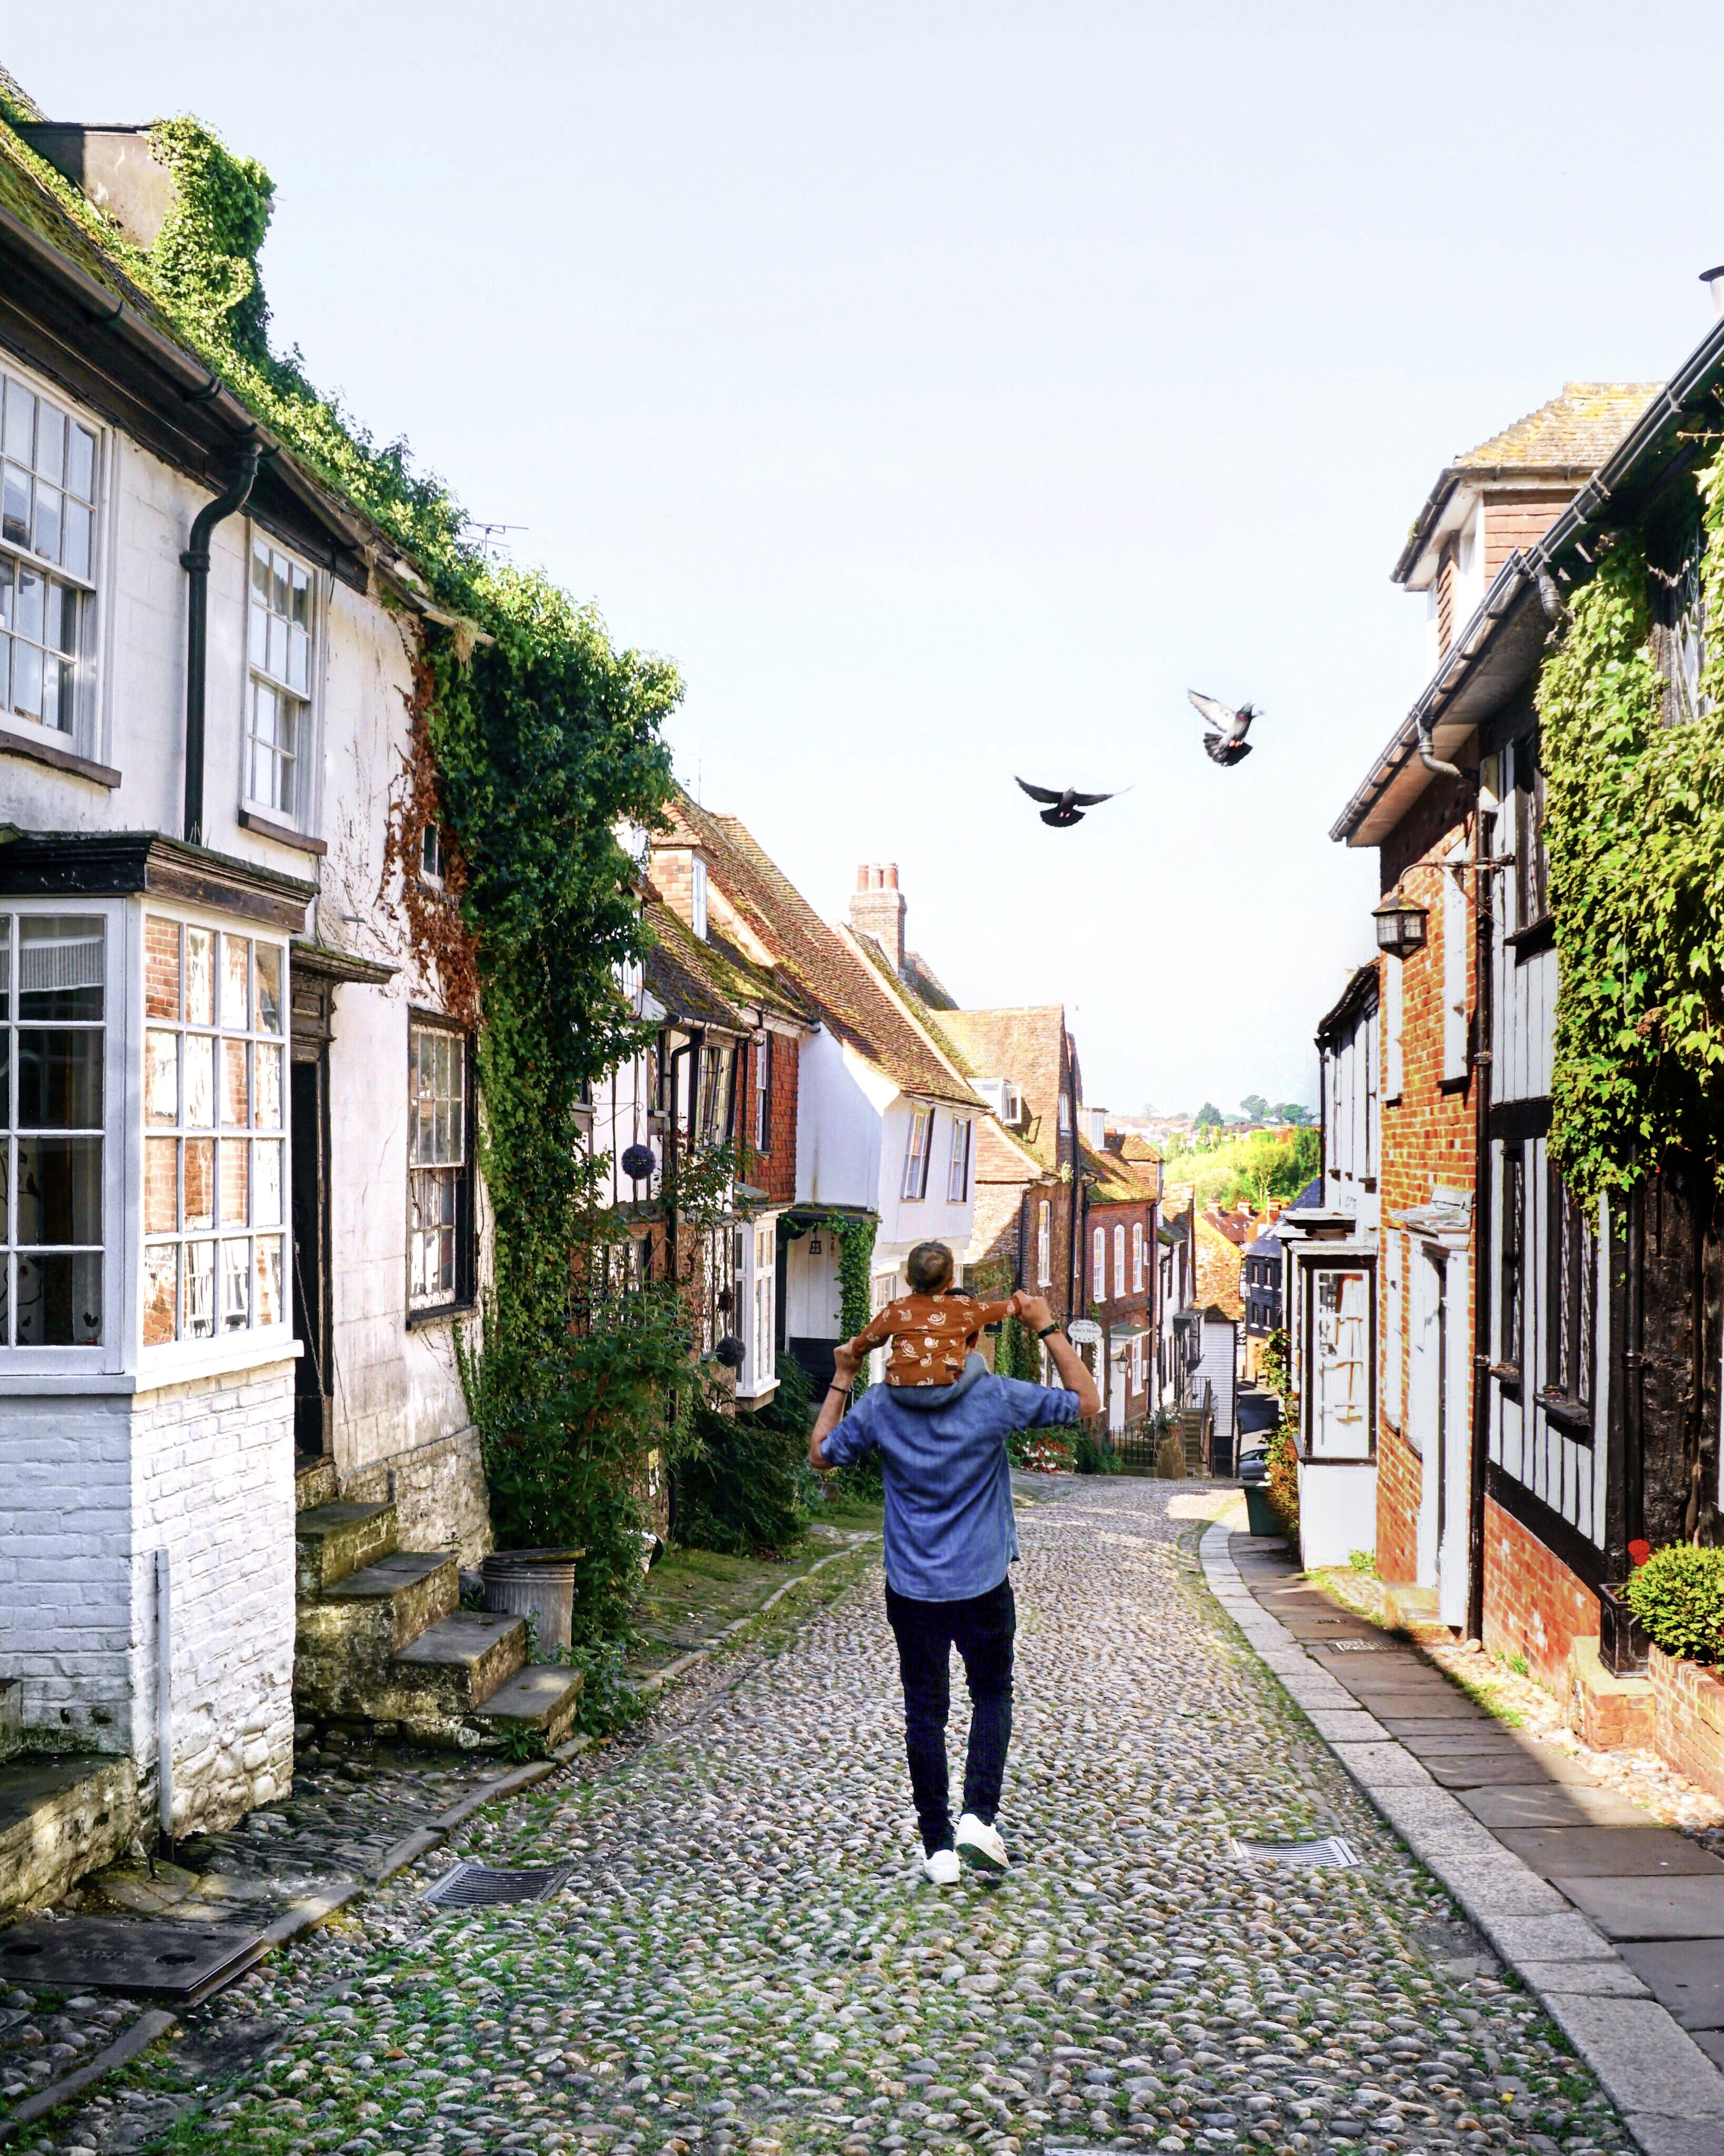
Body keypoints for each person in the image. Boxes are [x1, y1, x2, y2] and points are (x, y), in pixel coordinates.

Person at [809, 1244, 1101, 1883]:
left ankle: (937, 1847)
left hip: (912, 1587)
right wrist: (1046, 1327)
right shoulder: (992, 1397)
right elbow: (1086, 1401)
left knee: (925, 1710)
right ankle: (978, 1817)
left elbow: (822, 1453)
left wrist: (843, 1374)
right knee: (991, 1694)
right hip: (982, 1581)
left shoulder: (881, 1406)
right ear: (967, 1338)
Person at [841, 1243, 1014, 1388]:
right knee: (975, 1360)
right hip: (943, 1387)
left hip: (900, 1388)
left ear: (907, 1280)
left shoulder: (897, 1309)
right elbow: (999, 1309)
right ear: (951, 1283)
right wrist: (1020, 1303)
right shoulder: (962, 1306)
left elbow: (865, 1342)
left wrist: (854, 1348)